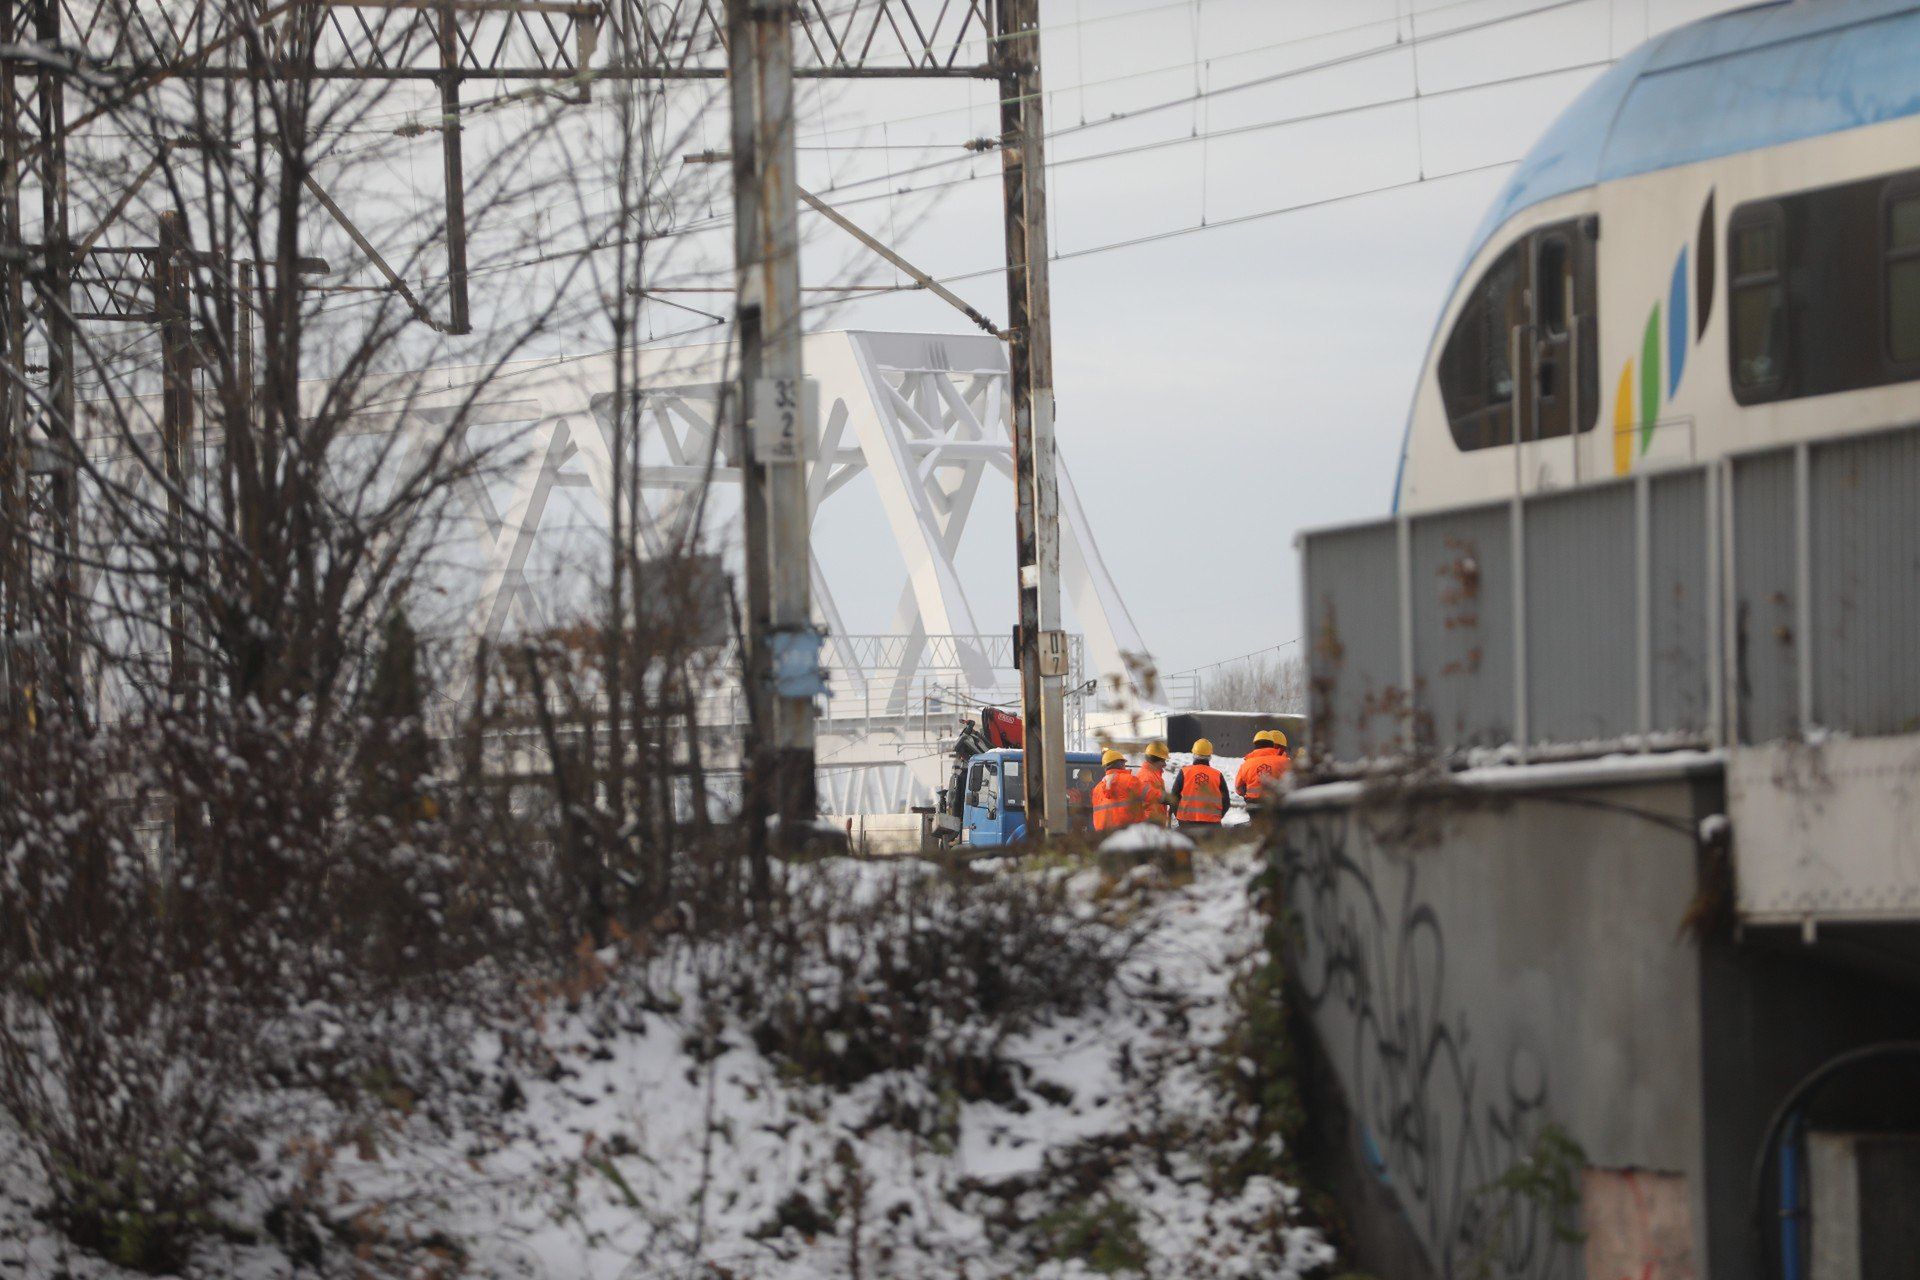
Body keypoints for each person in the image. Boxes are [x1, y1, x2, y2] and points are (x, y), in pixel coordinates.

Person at [1172, 738, 1229, 827]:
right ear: (1210, 756)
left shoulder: (1184, 772)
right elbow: (1226, 801)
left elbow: (1174, 797)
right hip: (1211, 824)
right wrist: (1217, 817)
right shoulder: (1217, 775)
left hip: (1186, 823)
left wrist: (1179, 816)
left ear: (1194, 754)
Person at [1090, 747, 1149, 832]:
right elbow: (1149, 796)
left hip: (1104, 835)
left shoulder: (1097, 789)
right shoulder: (1130, 780)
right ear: (1121, 764)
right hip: (1127, 832)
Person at [1234, 729, 1292, 805]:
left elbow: (1239, 788)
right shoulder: (1285, 762)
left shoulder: (1246, 764)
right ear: (1272, 745)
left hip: (1253, 803)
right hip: (1276, 804)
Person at [1135, 740, 1172, 826]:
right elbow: (1148, 795)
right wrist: (1166, 798)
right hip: (1150, 824)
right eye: (1163, 761)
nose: (1164, 764)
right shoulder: (1146, 776)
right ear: (1154, 761)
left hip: (1154, 822)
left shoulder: (1153, 775)